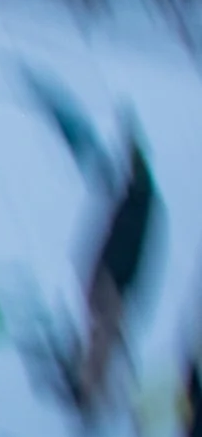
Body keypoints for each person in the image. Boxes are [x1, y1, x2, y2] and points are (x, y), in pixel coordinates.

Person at [76, 128, 156, 418]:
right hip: (110, 274)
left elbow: (131, 247)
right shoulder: (133, 196)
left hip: (116, 280)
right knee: (103, 333)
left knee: (103, 338)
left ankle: (90, 395)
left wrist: (116, 278)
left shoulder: (140, 201)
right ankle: (100, 385)